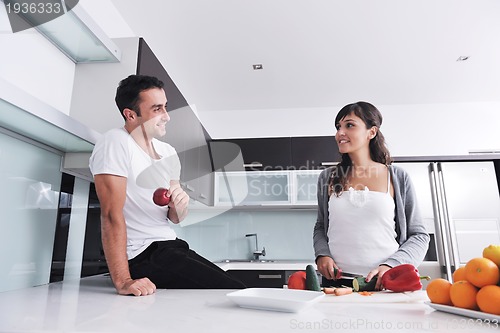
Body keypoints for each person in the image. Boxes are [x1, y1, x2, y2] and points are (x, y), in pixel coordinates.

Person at [89, 74, 245, 296]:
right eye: (157, 109)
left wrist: (178, 206)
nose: (166, 116)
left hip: (172, 245)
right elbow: (110, 215)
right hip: (142, 254)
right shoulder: (115, 142)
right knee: (233, 293)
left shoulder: (168, 152)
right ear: (131, 114)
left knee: (236, 289)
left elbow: (175, 218)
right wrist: (124, 281)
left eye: (165, 107)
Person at [313, 101, 429, 290]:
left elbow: (419, 235)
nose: (339, 133)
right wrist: (322, 254)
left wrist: (391, 265)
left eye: (349, 125)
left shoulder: (397, 177)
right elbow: (320, 226)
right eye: (338, 127)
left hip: (387, 283)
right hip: (336, 285)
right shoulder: (328, 177)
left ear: (371, 132)